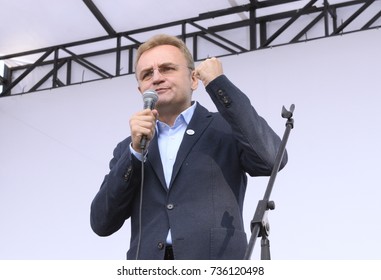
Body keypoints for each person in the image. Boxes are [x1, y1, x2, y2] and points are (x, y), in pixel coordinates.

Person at [90, 34, 287, 260]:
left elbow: (272, 159)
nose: (156, 78)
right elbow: (101, 222)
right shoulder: (130, 148)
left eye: (167, 69)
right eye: (147, 74)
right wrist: (134, 153)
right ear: (140, 90)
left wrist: (218, 84)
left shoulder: (224, 127)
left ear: (194, 79)